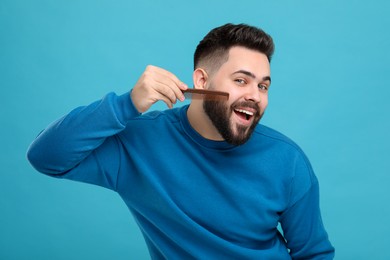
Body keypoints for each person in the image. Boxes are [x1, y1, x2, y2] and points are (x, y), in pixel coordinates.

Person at [27, 23, 335, 259]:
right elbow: (46, 156)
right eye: (241, 81)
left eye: (263, 86)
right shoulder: (139, 143)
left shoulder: (287, 160)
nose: (255, 96)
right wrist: (127, 104)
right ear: (202, 81)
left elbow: (314, 254)